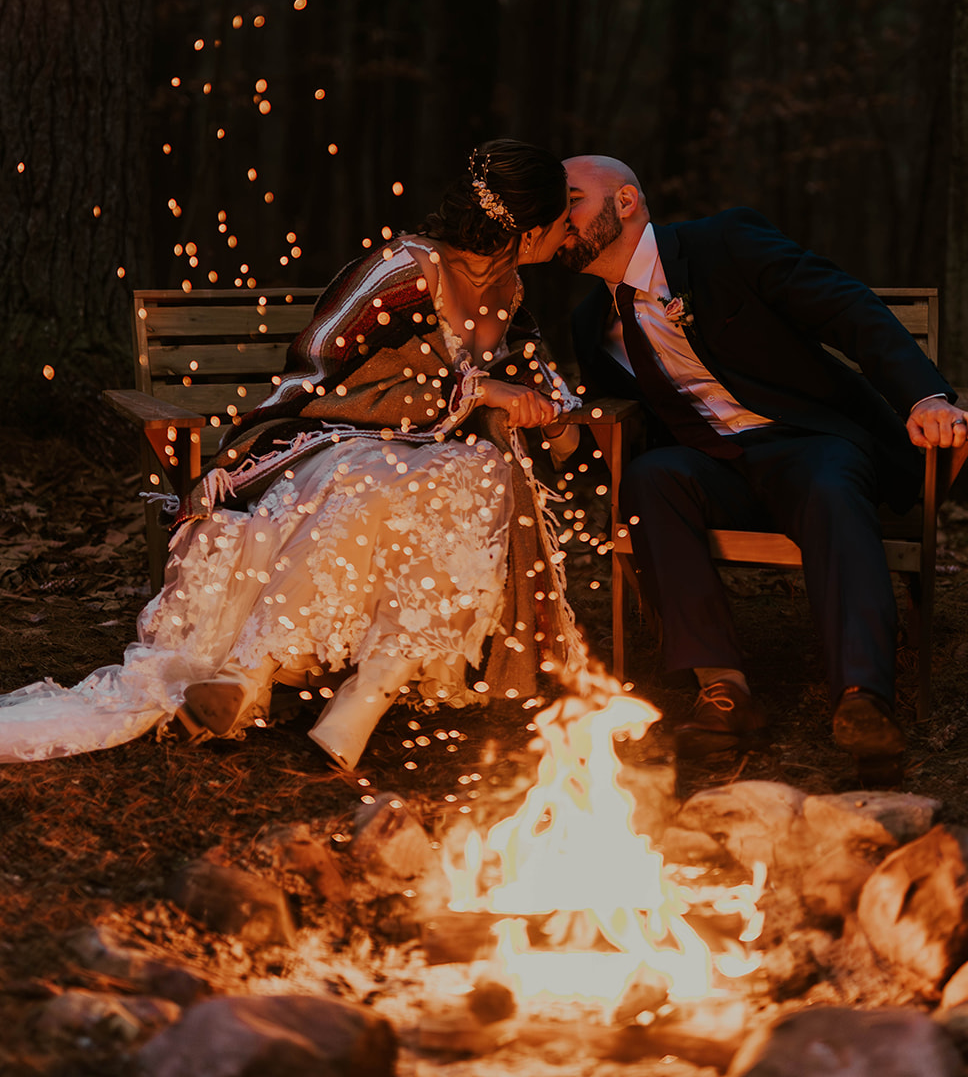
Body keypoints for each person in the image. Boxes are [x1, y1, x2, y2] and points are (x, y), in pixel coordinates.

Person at [0, 141, 585, 769]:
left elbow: (533, 375)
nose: (569, 234)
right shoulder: (404, 270)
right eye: (564, 221)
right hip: (331, 441)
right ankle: (253, 670)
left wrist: (549, 411)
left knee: (479, 471)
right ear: (529, 230)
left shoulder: (510, 289)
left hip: (437, 463)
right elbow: (322, 369)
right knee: (379, 480)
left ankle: (363, 694)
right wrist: (467, 393)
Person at [560, 155, 968, 763]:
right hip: (714, 467)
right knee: (649, 479)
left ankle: (863, 697)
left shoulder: (724, 243)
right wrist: (567, 437)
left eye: (571, 199)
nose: (559, 216)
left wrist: (925, 396)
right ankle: (724, 691)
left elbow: (849, 308)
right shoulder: (591, 322)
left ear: (624, 203)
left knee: (831, 486)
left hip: (808, 443)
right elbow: (622, 426)